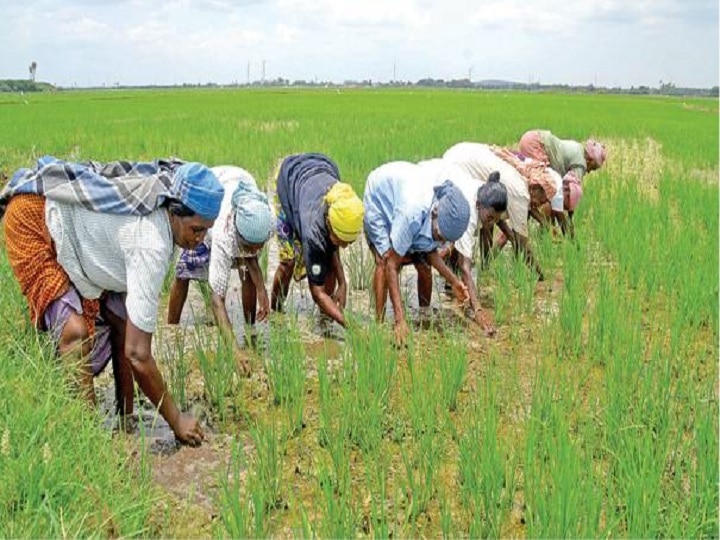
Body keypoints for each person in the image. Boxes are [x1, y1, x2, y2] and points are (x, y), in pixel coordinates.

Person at [0, 156, 224, 446]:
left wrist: (127, 424)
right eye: (196, 229)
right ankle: (87, 442)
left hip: (81, 243)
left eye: (206, 230)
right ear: (175, 212)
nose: (200, 239)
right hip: (34, 218)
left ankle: (125, 417)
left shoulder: (164, 222)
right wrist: (177, 420)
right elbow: (138, 355)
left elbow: (129, 343)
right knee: (75, 334)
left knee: (120, 320)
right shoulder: (152, 243)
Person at [167, 166, 274, 362]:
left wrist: (261, 289)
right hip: (211, 201)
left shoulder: (265, 219)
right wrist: (235, 352)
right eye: (248, 246)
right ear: (237, 234)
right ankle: (170, 328)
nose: (253, 251)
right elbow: (217, 300)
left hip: (239, 182)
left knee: (246, 273)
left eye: (257, 247)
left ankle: (250, 329)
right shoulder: (221, 233)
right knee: (185, 269)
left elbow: (251, 254)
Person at [363, 161, 471, 344]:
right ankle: (379, 325)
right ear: (435, 213)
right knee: (383, 259)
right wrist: (400, 319)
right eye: (439, 235)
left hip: (404, 188)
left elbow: (430, 252)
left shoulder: (439, 213)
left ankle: (423, 315)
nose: (441, 242)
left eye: (444, 239)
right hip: (379, 198)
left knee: (423, 264)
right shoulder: (412, 214)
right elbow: (392, 265)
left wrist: (454, 282)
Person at [270, 153, 364, 328]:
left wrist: (343, 283)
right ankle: (275, 312)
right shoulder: (313, 231)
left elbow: (331, 246)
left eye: (348, 242)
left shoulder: (343, 202)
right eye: (342, 240)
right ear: (328, 223)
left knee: (327, 257)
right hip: (288, 180)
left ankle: (325, 319)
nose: (344, 246)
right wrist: (350, 325)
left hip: (321, 167)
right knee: (288, 262)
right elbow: (317, 292)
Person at [418, 159, 508, 336]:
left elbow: (459, 245)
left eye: (495, 220)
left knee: (445, 248)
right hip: (422, 186)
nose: (491, 224)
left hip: (436, 179)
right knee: (423, 258)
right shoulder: (468, 212)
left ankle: (448, 287)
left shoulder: (482, 195)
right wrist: (478, 310)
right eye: (489, 218)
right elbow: (465, 267)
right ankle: (423, 314)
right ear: (478, 206)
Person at [443, 142, 545, 280]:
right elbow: (522, 243)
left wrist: (509, 238)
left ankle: (466, 267)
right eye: (542, 200)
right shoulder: (521, 195)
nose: (540, 205)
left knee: (484, 222)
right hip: (458, 167)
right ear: (535, 189)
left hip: (460, 153)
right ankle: (449, 265)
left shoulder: (515, 184)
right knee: (465, 225)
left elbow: (496, 221)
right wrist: (540, 275)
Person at [518, 129, 607, 216]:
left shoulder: (578, 147)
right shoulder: (580, 164)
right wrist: (569, 218)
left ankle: (538, 222)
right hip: (537, 145)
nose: (588, 172)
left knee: (533, 187)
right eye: (592, 168)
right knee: (545, 192)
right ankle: (541, 225)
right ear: (590, 161)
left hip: (532, 137)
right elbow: (571, 193)